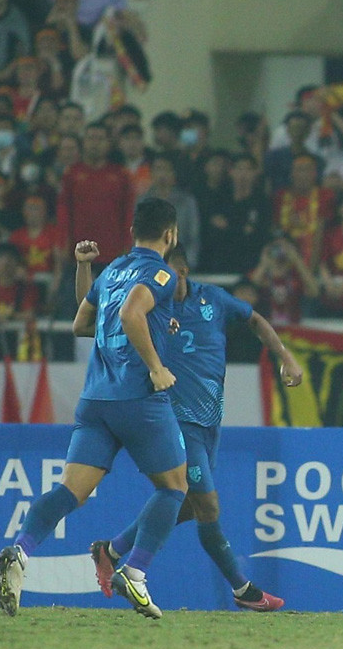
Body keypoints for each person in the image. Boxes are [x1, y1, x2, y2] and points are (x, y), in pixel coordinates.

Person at [0, 199, 188, 619]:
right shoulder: (161, 274)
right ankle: (134, 571)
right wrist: (156, 367)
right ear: (170, 235)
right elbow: (131, 313)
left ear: (132, 232)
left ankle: (21, 551)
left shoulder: (113, 270)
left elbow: (84, 322)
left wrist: (84, 269)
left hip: (96, 400)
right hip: (138, 399)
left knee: (70, 491)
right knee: (174, 487)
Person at [93, 247, 302, 612]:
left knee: (187, 505)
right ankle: (237, 587)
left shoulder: (214, 300)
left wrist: (285, 356)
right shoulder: (149, 309)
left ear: (183, 273)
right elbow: (100, 316)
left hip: (208, 423)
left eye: (166, 277)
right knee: (208, 506)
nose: (159, 283)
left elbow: (255, 320)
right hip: (173, 420)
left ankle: (112, 550)